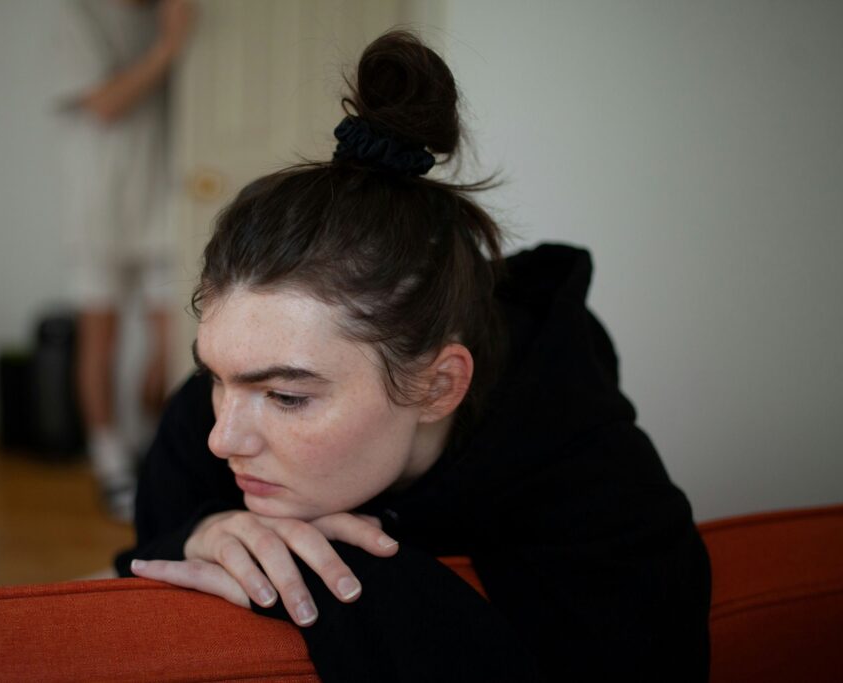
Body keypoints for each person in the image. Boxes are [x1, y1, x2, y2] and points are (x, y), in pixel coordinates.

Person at [115, 30, 711, 681]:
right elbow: (145, 554)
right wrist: (201, 532)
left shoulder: (598, 487)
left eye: (286, 396)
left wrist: (365, 579)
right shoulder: (204, 417)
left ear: (437, 386)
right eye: (215, 374)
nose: (223, 438)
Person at [52, 0, 193, 521]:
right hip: (98, 205)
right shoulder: (79, 14)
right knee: (101, 339)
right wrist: (170, 45)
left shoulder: (173, 9)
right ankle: (109, 459)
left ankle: (153, 445)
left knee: (175, 339)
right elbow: (105, 104)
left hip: (165, 201)